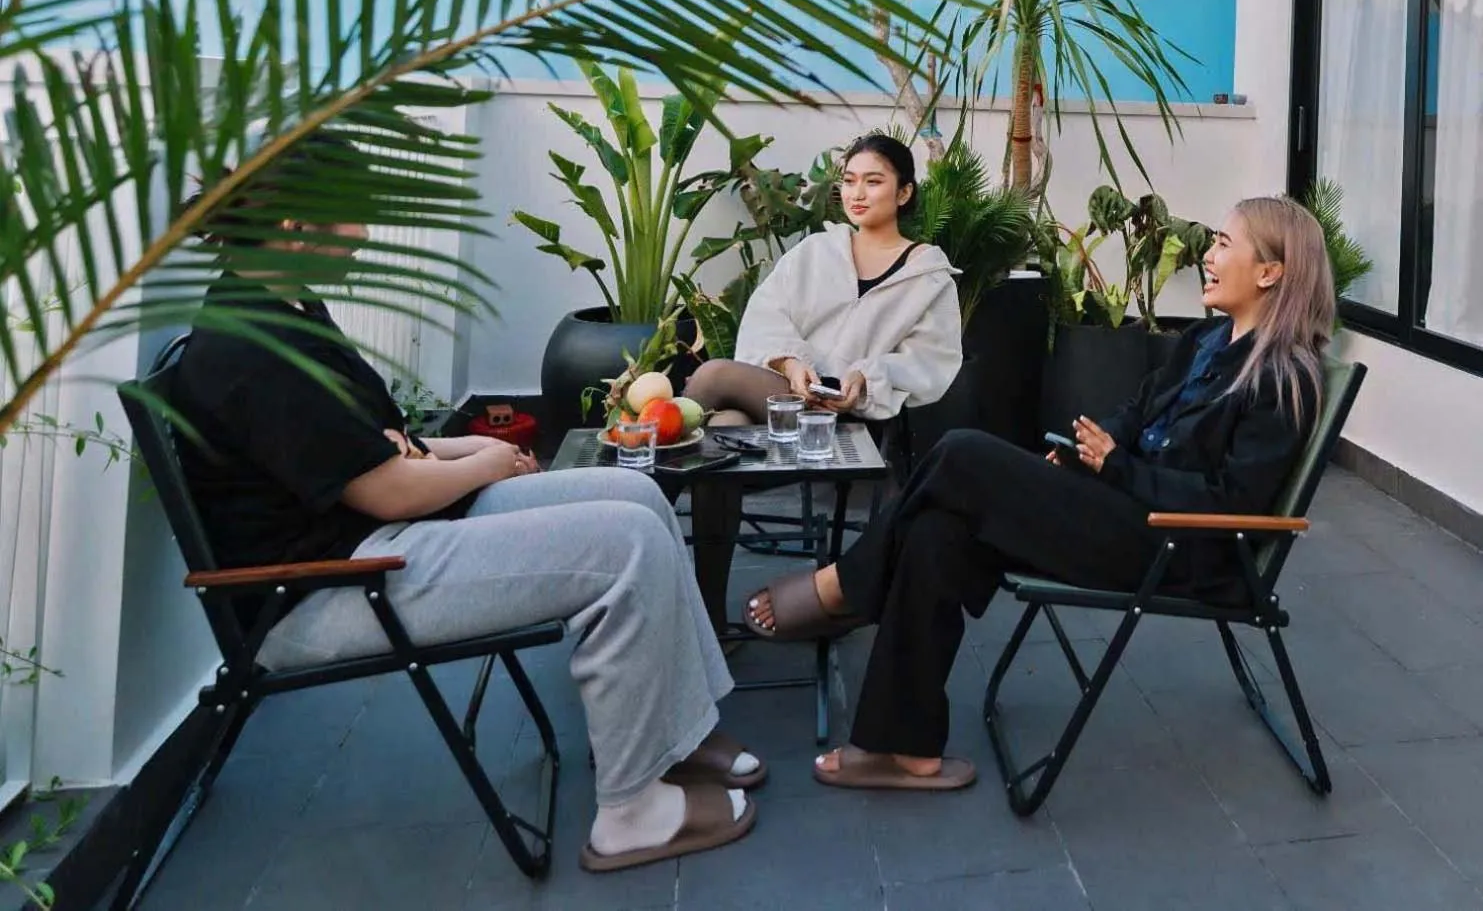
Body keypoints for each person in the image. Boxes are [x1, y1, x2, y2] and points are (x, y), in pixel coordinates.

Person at [172, 131, 763, 873]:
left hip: (380, 535)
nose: (362, 235)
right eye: (352, 218)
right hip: (328, 586)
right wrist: (484, 458)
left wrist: (463, 457)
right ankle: (631, 812)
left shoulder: (283, 305)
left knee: (637, 492)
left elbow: (379, 443)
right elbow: (385, 481)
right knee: (624, 544)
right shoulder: (250, 348)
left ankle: (679, 729)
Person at [744, 195, 1335, 792]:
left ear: (1269, 272)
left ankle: (846, 583)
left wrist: (1119, 467)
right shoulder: (1203, 342)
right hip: (1124, 512)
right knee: (937, 530)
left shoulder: (1284, 380)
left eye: (1224, 245)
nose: (1208, 256)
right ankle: (898, 747)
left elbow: (1233, 504)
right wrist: (1088, 448)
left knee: (962, 452)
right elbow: (1135, 413)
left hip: (1177, 547)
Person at [683, 133, 962, 428]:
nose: (856, 194)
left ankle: (654, 465)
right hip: (788, 394)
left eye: (873, 182)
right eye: (850, 180)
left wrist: (865, 378)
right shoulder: (816, 251)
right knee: (727, 423)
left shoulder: (928, 276)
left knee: (714, 375)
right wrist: (791, 365)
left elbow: (928, 361)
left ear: (904, 193)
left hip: (857, 414)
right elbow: (766, 319)